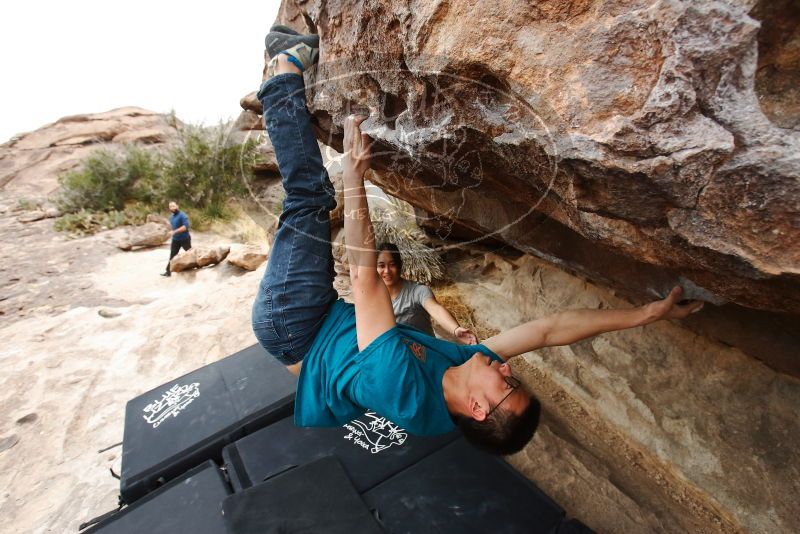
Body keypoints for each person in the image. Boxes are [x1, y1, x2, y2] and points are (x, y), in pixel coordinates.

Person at [251, 26, 704, 455]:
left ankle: (283, 67)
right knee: (315, 200)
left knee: (310, 196)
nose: (507, 368)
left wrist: (355, 176)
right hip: (321, 324)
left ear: (478, 409)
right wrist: (647, 313)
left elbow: (365, 277)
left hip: (294, 321)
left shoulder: (400, 389)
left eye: (508, 384)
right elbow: (550, 330)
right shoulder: (461, 379)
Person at [377, 242, 478, 343]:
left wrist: (456, 329)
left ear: (399, 266)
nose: (387, 271)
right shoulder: (372, 298)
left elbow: (436, 309)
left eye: (392, 265)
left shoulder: (417, 291)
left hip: (426, 352)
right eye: (381, 266)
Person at [161, 201, 191, 277]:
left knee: (190, 253)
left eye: (173, 206)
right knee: (172, 255)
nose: (172, 208)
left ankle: (196, 266)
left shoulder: (182, 215)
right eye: (170, 207)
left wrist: (175, 231)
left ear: (177, 206)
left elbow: (185, 226)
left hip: (185, 239)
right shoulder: (171, 217)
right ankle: (168, 272)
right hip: (175, 240)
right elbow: (172, 227)